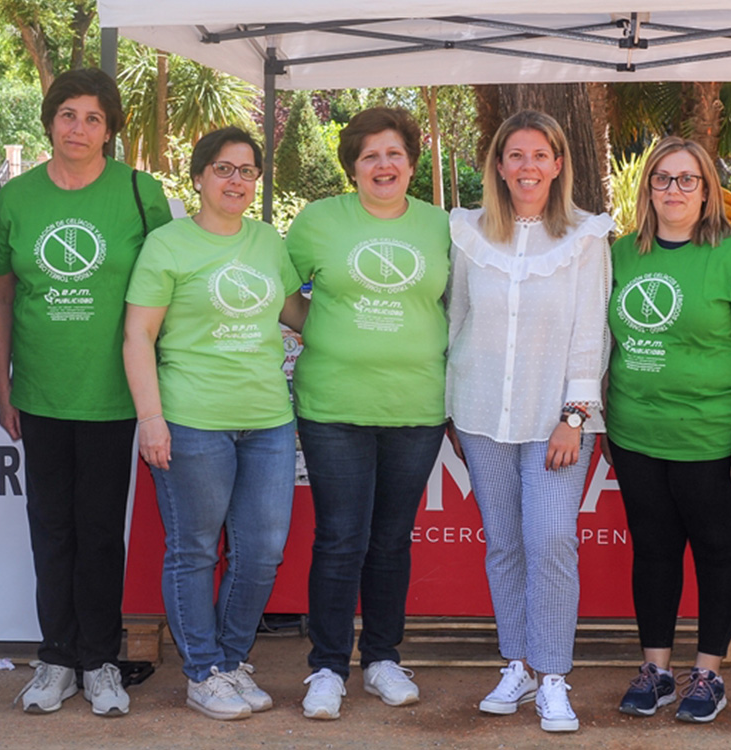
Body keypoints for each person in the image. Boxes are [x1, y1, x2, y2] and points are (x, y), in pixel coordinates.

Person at [0, 68, 171, 717]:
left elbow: (164, 295)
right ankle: (56, 656)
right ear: (49, 120)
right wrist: (3, 381)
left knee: (98, 531)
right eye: (68, 114)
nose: (79, 129)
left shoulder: (141, 194)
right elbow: (1, 293)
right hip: (39, 392)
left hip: (114, 393)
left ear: (110, 129)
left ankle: (99, 659)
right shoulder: (17, 199)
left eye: (93, 118)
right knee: (50, 529)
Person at [124, 127, 307, 721]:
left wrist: (352, 298)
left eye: (247, 171)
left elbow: (294, 312)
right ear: (199, 176)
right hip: (192, 419)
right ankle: (202, 671)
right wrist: (150, 419)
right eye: (224, 169)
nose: (236, 181)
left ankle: (229, 662)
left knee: (261, 552)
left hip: (268, 421)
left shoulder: (267, 242)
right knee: (195, 550)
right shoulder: (168, 245)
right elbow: (138, 335)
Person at [606, 136, 731, 724]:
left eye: (687, 180)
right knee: (654, 552)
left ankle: (706, 673)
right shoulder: (620, 254)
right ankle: (655, 670)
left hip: (713, 437)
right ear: (646, 188)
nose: (673, 190)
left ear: (707, 190)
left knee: (717, 552)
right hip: (635, 434)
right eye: (662, 179)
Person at [447, 110, 613, 734]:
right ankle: (515, 662)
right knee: (505, 544)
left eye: (540, 155)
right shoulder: (467, 233)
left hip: (558, 421)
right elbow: (457, 321)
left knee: (551, 539)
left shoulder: (586, 237)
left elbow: (590, 334)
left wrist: (573, 415)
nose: (528, 167)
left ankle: (553, 677)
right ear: (498, 164)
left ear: (559, 164)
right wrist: (450, 410)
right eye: (516, 155)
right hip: (481, 412)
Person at [285, 107, 450, 720]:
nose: (384, 165)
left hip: (416, 406)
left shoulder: (442, 228)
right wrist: (324, 331)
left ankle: (381, 657)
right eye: (370, 156)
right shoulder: (319, 221)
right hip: (334, 406)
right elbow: (278, 290)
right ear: (353, 167)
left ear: (412, 161)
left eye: (394, 153)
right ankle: (327, 666)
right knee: (339, 539)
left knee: (389, 540)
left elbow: (461, 305)